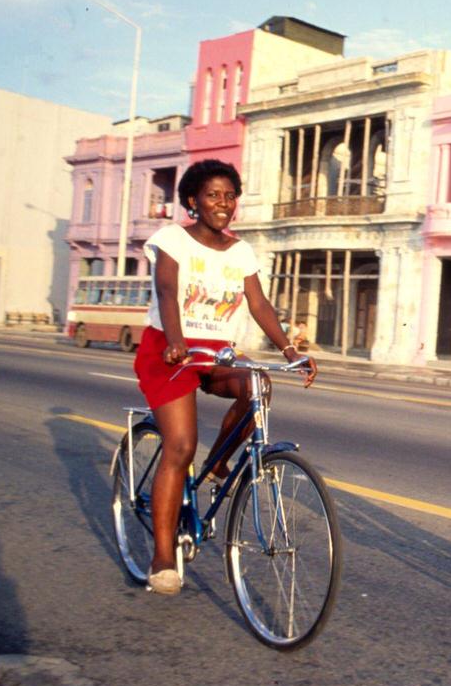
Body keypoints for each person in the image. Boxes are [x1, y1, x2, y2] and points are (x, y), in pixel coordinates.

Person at [133, 159, 317, 596]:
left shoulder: (241, 251)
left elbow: (259, 304)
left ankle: (218, 463)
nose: (222, 203)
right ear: (193, 201)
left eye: (230, 195)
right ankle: (162, 556)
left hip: (217, 353)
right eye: (213, 195)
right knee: (179, 446)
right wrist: (176, 341)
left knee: (258, 386)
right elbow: (167, 290)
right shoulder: (172, 239)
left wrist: (291, 350)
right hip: (170, 351)